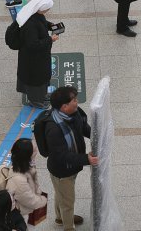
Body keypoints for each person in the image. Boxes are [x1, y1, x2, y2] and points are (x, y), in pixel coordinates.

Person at [43, 85, 96, 231]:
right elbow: (62, 156)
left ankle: (60, 218)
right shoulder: (53, 129)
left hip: (71, 167)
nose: (77, 102)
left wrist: (94, 136)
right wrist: (86, 159)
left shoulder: (74, 113)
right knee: (68, 202)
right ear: (64, 106)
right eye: (74, 100)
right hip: (62, 171)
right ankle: (68, 227)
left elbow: (82, 126)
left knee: (61, 195)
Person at [13, 0, 56, 108]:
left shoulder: (33, 13)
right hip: (33, 60)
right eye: (47, 8)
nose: (48, 10)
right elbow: (33, 45)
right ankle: (36, 101)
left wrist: (49, 25)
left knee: (42, 79)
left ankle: (41, 96)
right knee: (36, 81)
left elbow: (41, 23)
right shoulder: (30, 25)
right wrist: (50, 39)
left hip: (39, 57)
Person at [0, 138, 49, 219]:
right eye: (34, 150)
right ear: (27, 155)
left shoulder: (22, 165)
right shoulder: (19, 181)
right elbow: (30, 201)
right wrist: (43, 200)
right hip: (21, 214)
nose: (37, 151)